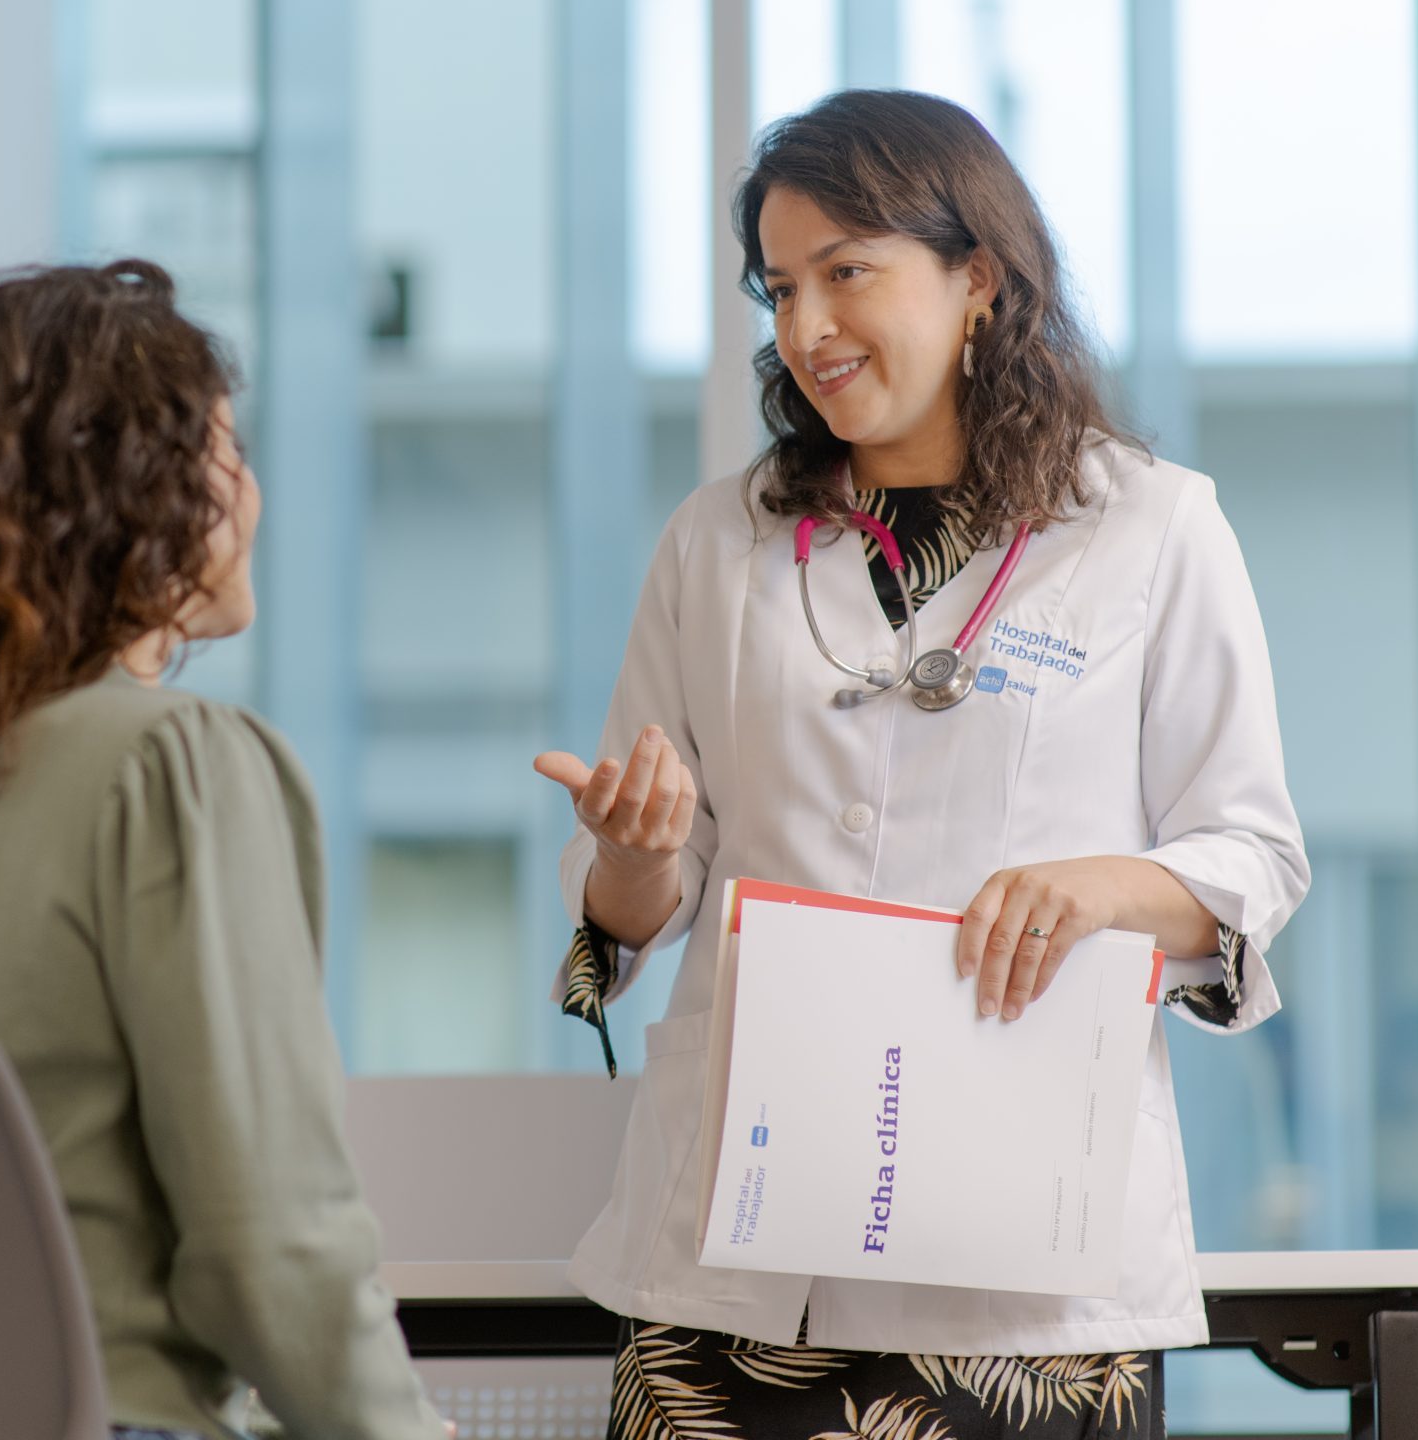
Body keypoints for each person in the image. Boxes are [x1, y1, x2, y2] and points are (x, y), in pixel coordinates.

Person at [531, 90, 1309, 1440]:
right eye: (779, 288)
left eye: (848, 274)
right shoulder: (718, 544)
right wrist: (635, 857)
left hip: (1020, 1290)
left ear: (979, 281)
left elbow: (1253, 855)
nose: (806, 328)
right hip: (739, 1271)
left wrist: (1108, 887)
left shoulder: (1152, 529)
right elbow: (641, 902)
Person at [0, 260, 446, 1440]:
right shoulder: (170, 767)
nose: (250, 496)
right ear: (138, 491)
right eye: (228, 453)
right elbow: (272, 1253)